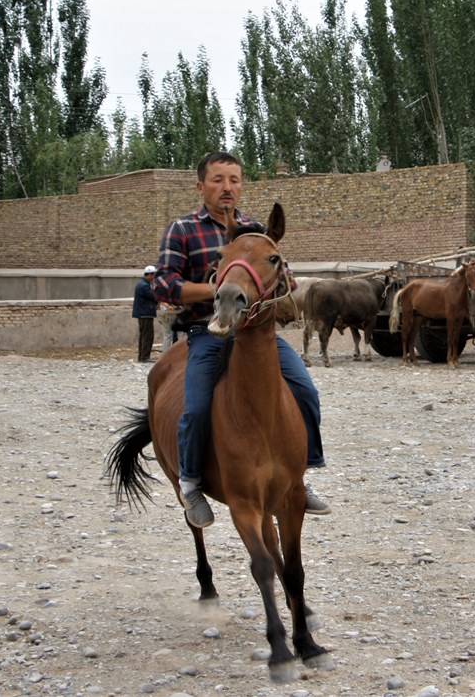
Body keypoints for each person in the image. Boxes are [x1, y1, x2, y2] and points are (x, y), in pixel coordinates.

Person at [152, 151, 330, 528]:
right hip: (206, 331)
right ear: (201, 186)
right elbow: (165, 284)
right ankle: (190, 483)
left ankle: (301, 474)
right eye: (218, 180)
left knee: (305, 390)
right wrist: (219, 290)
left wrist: (272, 277)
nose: (227, 187)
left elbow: (288, 281)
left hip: (255, 334)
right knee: (196, 406)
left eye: (234, 180)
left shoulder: (256, 232)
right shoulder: (182, 229)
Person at [132, 266, 158, 362]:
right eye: (154, 275)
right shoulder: (144, 286)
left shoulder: (142, 284)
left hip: (143, 313)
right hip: (145, 313)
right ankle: (145, 357)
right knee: (147, 336)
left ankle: (142, 356)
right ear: (150, 275)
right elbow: (154, 296)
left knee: (143, 335)